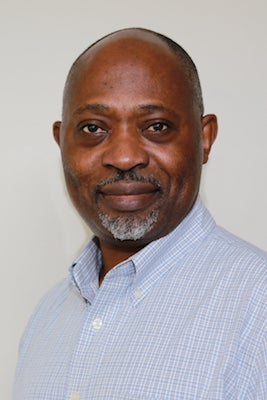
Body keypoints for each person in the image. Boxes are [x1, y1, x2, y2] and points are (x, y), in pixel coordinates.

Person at [13, 28, 266, 399]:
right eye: (93, 128)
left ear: (204, 137)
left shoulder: (258, 305)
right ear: (62, 141)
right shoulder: (47, 317)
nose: (125, 156)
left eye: (157, 127)